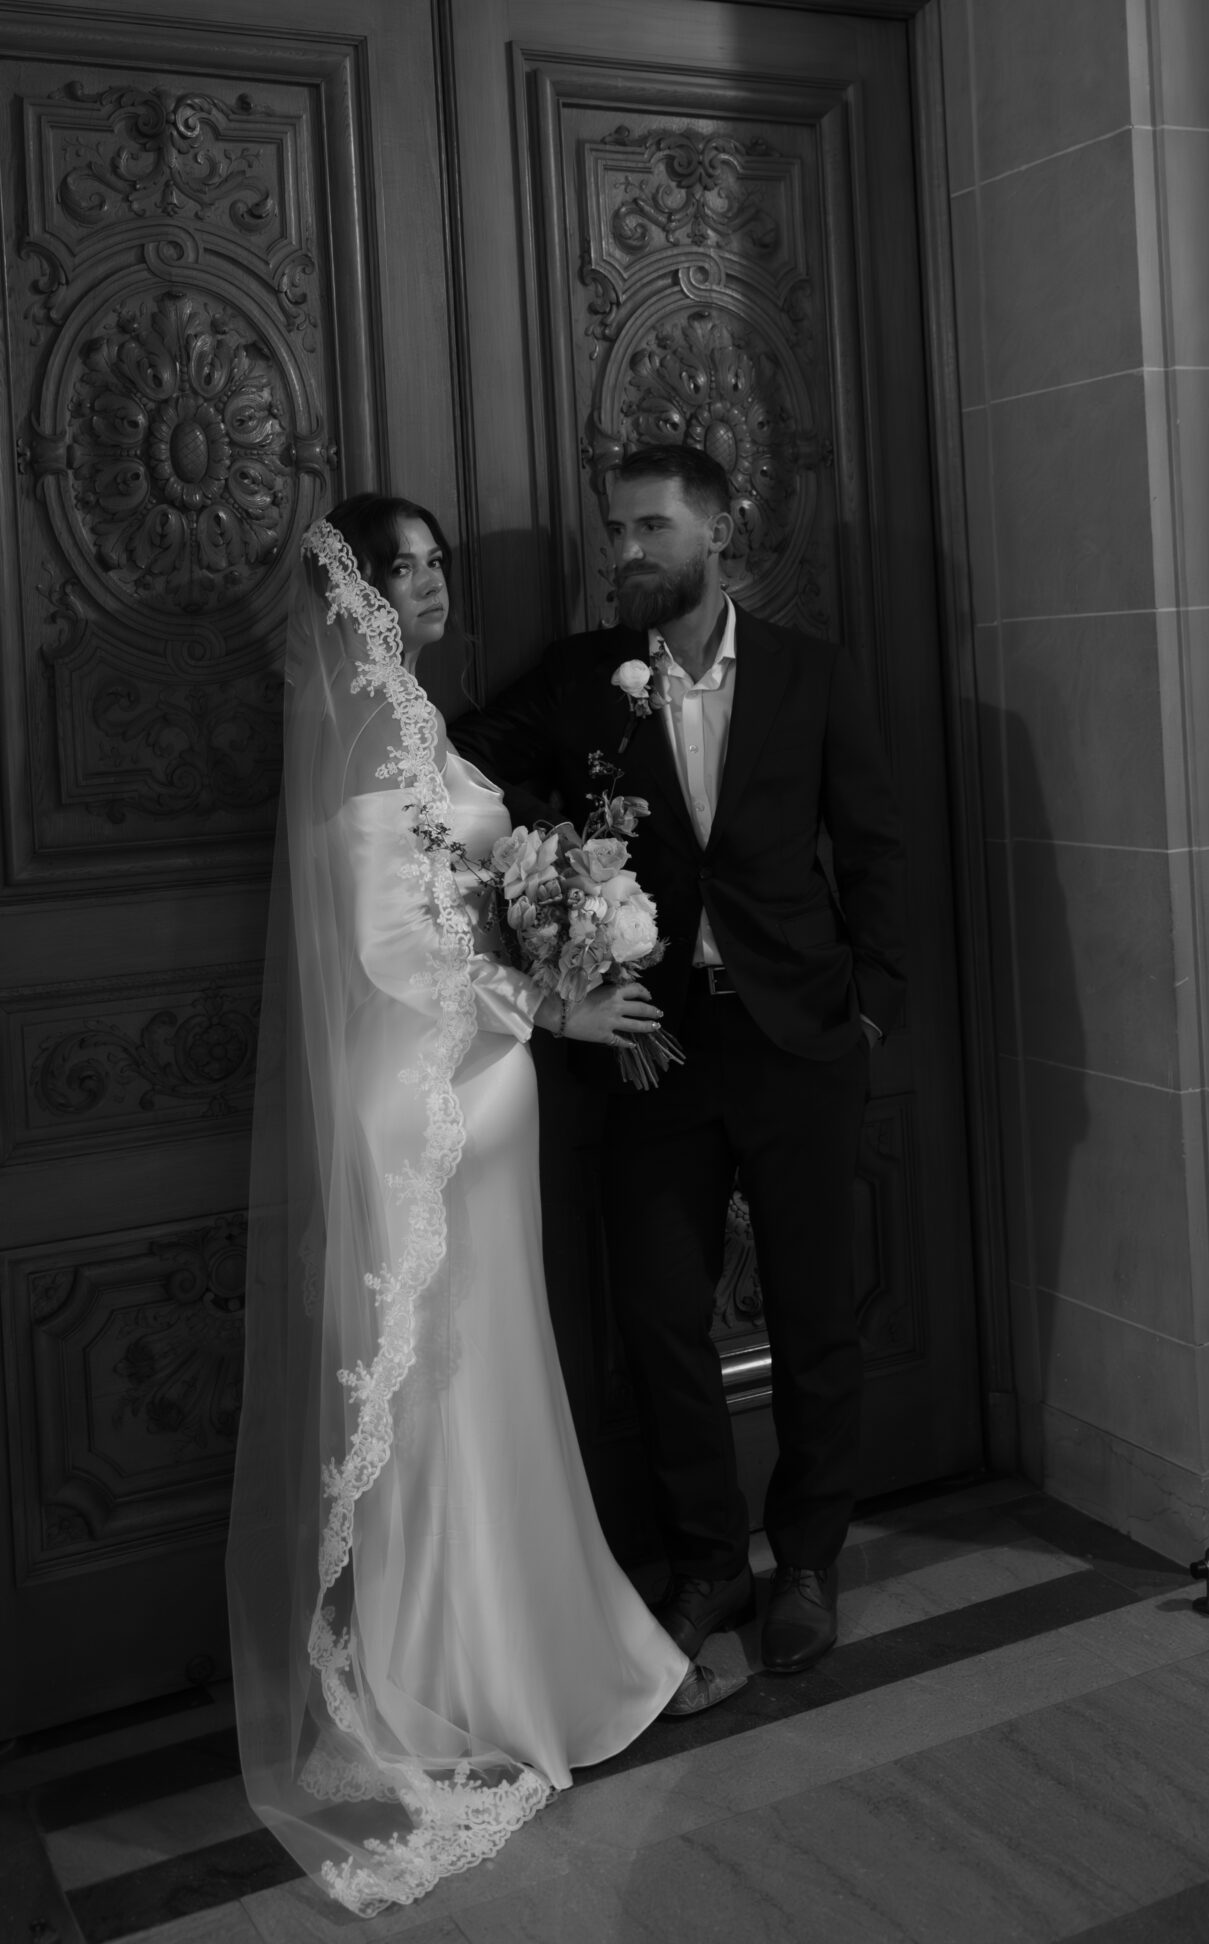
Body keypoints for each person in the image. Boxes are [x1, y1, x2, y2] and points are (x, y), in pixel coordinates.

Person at [227, 494, 741, 1921]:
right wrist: (552, 1006)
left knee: (492, 1371)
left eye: (444, 560)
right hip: (433, 1103)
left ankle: (525, 1631)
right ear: (368, 592)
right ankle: (459, 1669)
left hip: (483, 1093)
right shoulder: (367, 750)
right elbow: (393, 953)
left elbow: (464, 888)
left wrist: (557, 912)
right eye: (419, 565)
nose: (442, 581)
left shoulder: (422, 728)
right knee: (445, 1379)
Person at [454, 446, 906, 1678]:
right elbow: (446, 767)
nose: (627, 551)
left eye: (651, 527)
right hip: (649, 1050)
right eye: (616, 531)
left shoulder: (812, 674)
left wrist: (869, 1009)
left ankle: (807, 1560)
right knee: (658, 1318)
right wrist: (544, 899)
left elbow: (873, 844)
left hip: (801, 1041)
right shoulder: (579, 682)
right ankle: (708, 1562)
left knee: (817, 1317)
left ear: (721, 533)